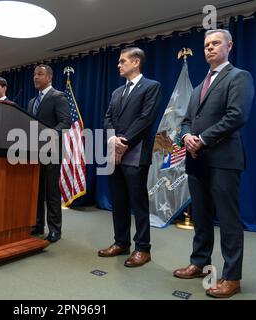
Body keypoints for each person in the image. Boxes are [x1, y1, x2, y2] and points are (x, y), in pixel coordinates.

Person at [173, 29, 254, 298]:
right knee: (201, 217)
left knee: (229, 221)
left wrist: (202, 139)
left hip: (224, 160)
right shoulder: (198, 87)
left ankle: (232, 277)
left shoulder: (239, 77)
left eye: (215, 43)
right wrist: (186, 136)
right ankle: (199, 263)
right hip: (197, 162)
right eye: (207, 44)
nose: (209, 48)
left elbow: (236, 115)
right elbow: (185, 120)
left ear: (229, 46)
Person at [99, 47, 162, 268]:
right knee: (118, 200)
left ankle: (143, 249)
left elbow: (146, 118)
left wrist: (123, 141)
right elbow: (107, 117)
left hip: (135, 152)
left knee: (138, 202)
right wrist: (113, 139)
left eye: (122, 61)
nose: (119, 64)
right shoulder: (116, 92)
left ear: (136, 62)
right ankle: (121, 243)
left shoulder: (151, 86)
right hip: (114, 151)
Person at [27, 64, 71, 243]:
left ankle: (55, 229)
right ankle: (37, 225)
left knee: (51, 191)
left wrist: (48, 135)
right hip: (33, 152)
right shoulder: (31, 102)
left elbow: (65, 122)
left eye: (40, 74)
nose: (36, 77)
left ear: (49, 77)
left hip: (51, 151)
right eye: (34, 74)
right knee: (36, 191)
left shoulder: (57, 96)